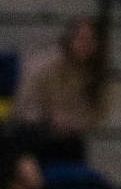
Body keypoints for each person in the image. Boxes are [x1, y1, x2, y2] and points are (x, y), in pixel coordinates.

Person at [14, 17, 109, 165]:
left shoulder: (97, 77)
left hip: (69, 136)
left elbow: (96, 113)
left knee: (74, 148)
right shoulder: (44, 65)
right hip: (34, 130)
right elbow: (24, 105)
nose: (86, 45)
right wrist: (48, 118)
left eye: (92, 40)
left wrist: (72, 122)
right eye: (82, 39)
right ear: (70, 38)